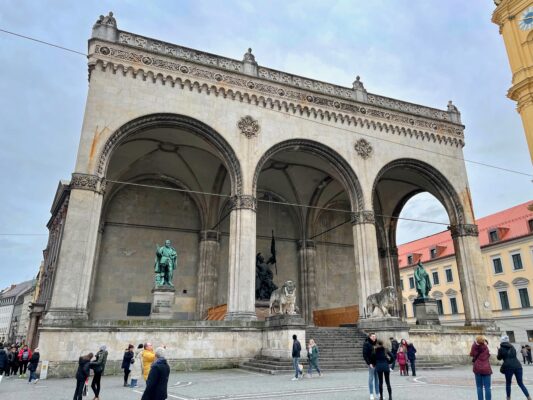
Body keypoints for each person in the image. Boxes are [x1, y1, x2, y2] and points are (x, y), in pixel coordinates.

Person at [497, 334, 531, 400]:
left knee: (508, 383)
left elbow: (499, 358)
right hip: (518, 366)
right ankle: (529, 397)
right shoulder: (513, 347)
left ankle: (508, 398)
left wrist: (498, 351)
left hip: (508, 367)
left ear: (501, 341)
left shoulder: (501, 349)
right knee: (521, 383)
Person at [470, 336, 492, 400]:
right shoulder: (486, 347)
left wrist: (475, 344)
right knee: (487, 387)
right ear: (483, 341)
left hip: (477, 368)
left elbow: (471, 354)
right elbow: (488, 354)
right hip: (486, 369)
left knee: (479, 387)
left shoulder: (474, 346)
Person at [363, 332, 379, 400]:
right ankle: (371, 394)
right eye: (372, 336)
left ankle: (378, 394)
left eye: (374, 336)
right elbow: (365, 355)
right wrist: (369, 363)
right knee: (371, 378)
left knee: (377, 379)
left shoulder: (377, 343)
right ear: (369, 337)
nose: (374, 337)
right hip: (371, 364)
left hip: (378, 363)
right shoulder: (366, 343)